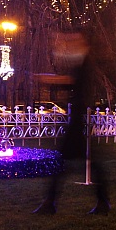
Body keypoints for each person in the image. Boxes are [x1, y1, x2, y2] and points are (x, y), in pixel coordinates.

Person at [34, 30, 110, 215]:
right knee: (83, 162)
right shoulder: (82, 62)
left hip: (78, 119)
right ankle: (100, 202)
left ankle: (50, 202)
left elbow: (72, 81)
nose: (72, 44)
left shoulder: (85, 63)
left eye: (76, 40)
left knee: (68, 162)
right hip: (78, 118)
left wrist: (49, 79)